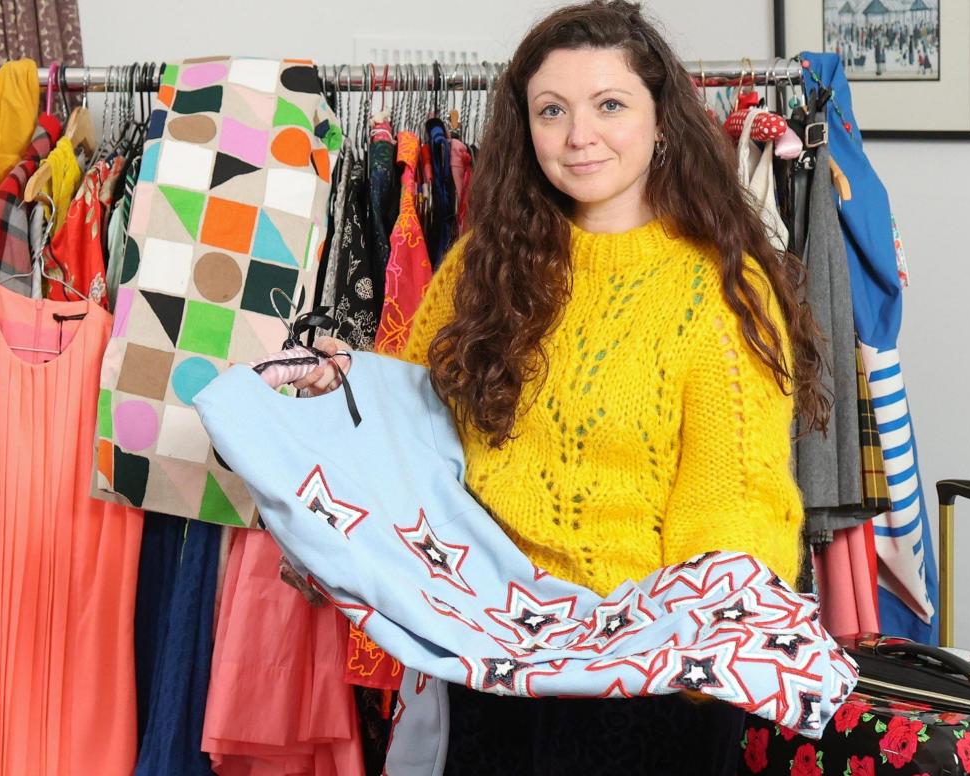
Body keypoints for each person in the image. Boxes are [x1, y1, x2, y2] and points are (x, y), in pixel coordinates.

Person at [291, 1, 829, 772]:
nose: (580, 135)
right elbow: (406, 430)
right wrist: (329, 425)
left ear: (661, 121)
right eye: (552, 110)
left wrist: (699, 654)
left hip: (642, 681)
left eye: (609, 104)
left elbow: (733, 497)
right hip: (492, 660)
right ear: (524, 128)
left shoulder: (716, 288)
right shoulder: (483, 265)